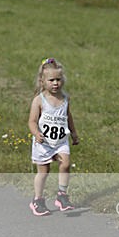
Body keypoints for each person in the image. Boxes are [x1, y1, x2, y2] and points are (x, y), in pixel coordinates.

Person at [28, 57, 79, 216]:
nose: (56, 83)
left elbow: (68, 117)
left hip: (61, 141)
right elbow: (32, 121)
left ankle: (62, 196)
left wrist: (74, 133)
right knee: (44, 172)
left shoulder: (65, 98)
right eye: (51, 80)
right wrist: (36, 134)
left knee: (66, 164)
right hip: (44, 143)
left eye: (58, 79)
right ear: (42, 81)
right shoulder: (39, 100)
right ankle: (38, 200)